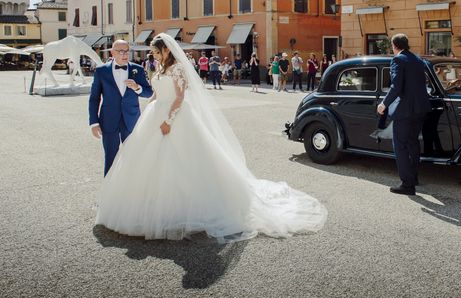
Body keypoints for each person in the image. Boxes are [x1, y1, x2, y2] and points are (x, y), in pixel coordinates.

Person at [95, 33, 327, 241]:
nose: (154, 56)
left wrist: (168, 120)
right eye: (153, 53)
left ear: (166, 50)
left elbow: (179, 98)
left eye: (157, 52)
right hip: (155, 115)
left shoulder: (177, 69)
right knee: (149, 164)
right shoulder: (159, 68)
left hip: (175, 118)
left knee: (183, 162)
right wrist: (151, 110)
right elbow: (156, 93)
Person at [377, 33, 431, 196]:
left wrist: (383, 104)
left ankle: (407, 185)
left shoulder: (398, 60)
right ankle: (413, 178)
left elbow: (396, 87)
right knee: (413, 143)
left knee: (400, 146)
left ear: (394, 45)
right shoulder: (418, 59)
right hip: (420, 108)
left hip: (405, 110)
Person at [88, 40, 153, 176]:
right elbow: (94, 98)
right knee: (110, 157)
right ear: (112, 53)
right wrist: (94, 122)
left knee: (133, 156)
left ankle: (133, 187)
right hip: (108, 120)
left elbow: (149, 92)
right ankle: (109, 192)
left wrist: (137, 87)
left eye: (127, 51)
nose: (124, 55)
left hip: (131, 119)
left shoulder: (138, 69)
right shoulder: (101, 71)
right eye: (120, 51)